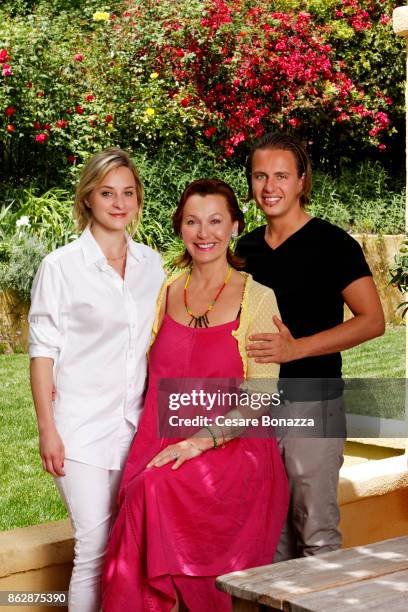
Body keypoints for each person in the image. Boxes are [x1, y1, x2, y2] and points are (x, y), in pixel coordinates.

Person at [101, 178, 289, 612]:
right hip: (162, 441)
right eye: (192, 222)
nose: (204, 233)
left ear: (235, 226)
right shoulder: (164, 291)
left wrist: (199, 440)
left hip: (232, 451)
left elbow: (261, 396)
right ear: (179, 229)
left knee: (152, 491)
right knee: (143, 493)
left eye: (215, 221)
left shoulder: (258, 298)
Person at [235, 132, 385, 561]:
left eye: (281, 176)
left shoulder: (334, 245)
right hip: (257, 407)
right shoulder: (245, 250)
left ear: (302, 181)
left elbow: (372, 320)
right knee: (271, 537)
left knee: (316, 534)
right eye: (260, 176)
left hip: (312, 403)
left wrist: (295, 349)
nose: (270, 187)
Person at [29, 148, 165, 612]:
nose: (119, 203)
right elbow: (42, 351)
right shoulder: (60, 266)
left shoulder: (153, 266)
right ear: (88, 197)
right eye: (108, 193)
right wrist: (48, 430)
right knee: (94, 546)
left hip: (137, 425)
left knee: (130, 543)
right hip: (79, 428)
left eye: (128, 193)